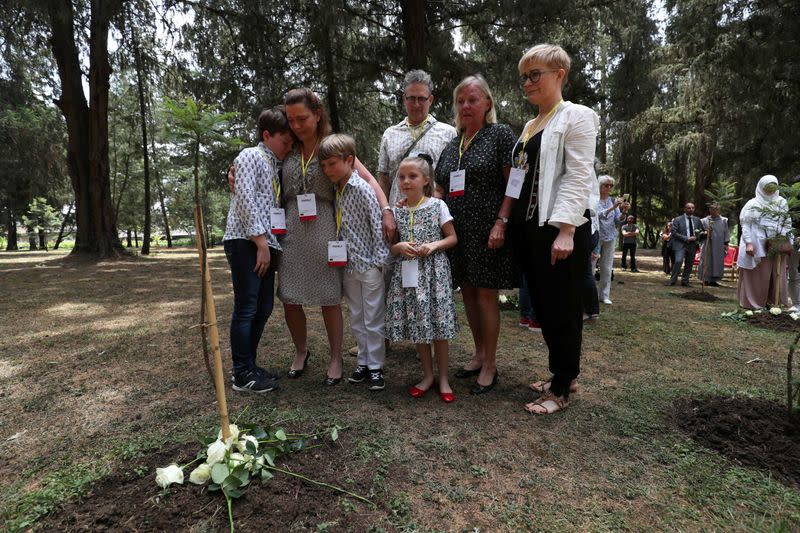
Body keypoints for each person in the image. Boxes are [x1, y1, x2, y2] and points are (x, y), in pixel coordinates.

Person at [229, 89, 395, 385]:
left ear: (318, 115)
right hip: (289, 230)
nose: (295, 125)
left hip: (326, 230)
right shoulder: (287, 149)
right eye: (291, 120)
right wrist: (232, 175)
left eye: (302, 118)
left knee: (329, 298)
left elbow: (367, 179)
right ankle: (301, 351)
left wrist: (385, 210)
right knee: (290, 298)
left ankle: (335, 358)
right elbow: (258, 169)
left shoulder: (331, 147)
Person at [506, 44, 598, 414]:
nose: (527, 83)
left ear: (559, 74)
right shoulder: (530, 126)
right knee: (542, 305)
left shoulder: (578, 116)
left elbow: (578, 175)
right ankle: (564, 372)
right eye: (524, 77)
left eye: (535, 74)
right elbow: (519, 176)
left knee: (562, 305)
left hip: (560, 226)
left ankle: (560, 388)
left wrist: (566, 229)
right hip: (529, 226)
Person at [434, 74, 518, 395]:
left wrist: (502, 221)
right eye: (461, 101)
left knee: (485, 293)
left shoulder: (499, 135)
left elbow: (515, 182)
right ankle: (479, 351)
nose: (466, 106)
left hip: (488, 229)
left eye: (473, 100)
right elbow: (441, 185)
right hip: (457, 232)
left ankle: (491, 364)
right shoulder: (453, 143)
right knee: (467, 291)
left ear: (487, 103)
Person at [223, 107, 294, 393]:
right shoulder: (251, 155)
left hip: (267, 244)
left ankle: (249, 364)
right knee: (247, 306)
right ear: (267, 135)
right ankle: (241, 373)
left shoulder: (274, 165)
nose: (288, 148)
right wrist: (260, 241)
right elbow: (244, 198)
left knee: (263, 307)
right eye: (284, 142)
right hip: (246, 242)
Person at [385, 155, 458, 402]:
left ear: (426, 180)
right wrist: (399, 246)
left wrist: (434, 245)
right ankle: (427, 376)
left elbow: (452, 238)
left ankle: (444, 378)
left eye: (412, 176)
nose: (406, 181)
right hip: (409, 274)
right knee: (420, 324)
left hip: (434, 273)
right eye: (402, 177)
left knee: (438, 325)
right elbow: (391, 246)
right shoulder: (398, 210)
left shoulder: (438, 206)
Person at [319, 134, 389, 389]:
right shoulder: (336, 190)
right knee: (357, 317)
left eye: (332, 164)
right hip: (348, 266)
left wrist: (379, 262)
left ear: (350, 160)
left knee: (373, 317)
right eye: (324, 165)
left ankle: (376, 367)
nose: (327, 170)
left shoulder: (362, 189)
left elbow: (376, 224)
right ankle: (363, 360)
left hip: (369, 265)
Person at [378, 70, 457, 206]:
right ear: (404, 99)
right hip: (398, 216)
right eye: (411, 98)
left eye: (421, 99)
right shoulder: (390, 134)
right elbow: (384, 180)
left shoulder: (448, 133)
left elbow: (453, 177)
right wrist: (385, 212)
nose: (416, 104)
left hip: (434, 218)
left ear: (430, 100)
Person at [737, 175, 792, 309]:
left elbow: (787, 222)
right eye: (767, 186)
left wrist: (781, 239)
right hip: (757, 243)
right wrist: (749, 243)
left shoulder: (781, 202)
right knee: (758, 275)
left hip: (777, 244)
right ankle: (754, 303)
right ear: (761, 187)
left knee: (776, 273)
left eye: (773, 186)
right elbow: (746, 225)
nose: (770, 189)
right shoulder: (752, 204)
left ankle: (774, 302)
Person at [596, 175, 628, 304]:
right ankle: (589, 294)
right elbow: (599, 216)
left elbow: (618, 220)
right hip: (596, 236)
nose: (609, 188)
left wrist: (624, 211)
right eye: (606, 185)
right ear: (600, 186)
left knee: (607, 267)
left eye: (611, 185)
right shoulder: (594, 200)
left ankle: (604, 295)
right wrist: (614, 207)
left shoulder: (612, 200)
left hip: (610, 236)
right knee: (591, 266)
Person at [668, 202, 704, 287]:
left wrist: (698, 236)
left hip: (692, 245)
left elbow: (701, 231)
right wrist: (686, 238)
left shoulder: (697, 220)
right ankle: (672, 280)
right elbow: (674, 232)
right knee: (678, 261)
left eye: (692, 208)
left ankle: (685, 281)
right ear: (685, 209)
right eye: (689, 208)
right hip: (680, 244)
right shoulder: (677, 219)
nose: (691, 209)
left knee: (689, 263)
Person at [698, 203, 730, 286]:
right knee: (706, 261)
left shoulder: (724, 221)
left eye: (715, 209)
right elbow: (699, 233)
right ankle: (705, 279)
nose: (713, 211)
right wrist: (705, 233)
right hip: (707, 244)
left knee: (717, 262)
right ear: (709, 210)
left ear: (718, 210)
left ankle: (713, 280)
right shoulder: (704, 221)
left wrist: (726, 244)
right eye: (711, 209)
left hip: (719, 245)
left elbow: (726, 232)